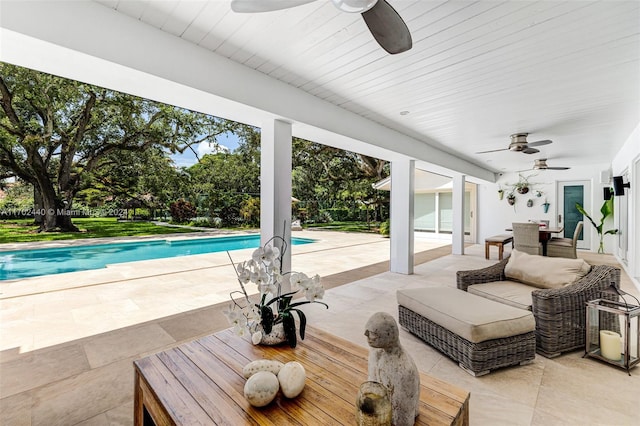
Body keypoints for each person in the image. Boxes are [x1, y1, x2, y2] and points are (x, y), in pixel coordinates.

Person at [365, 312, 420, 425]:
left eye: (372, 333)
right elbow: (371, 387)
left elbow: (404, 418)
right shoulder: (375, 353)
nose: (365, 334)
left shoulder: (403, 369)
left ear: (389, 335)